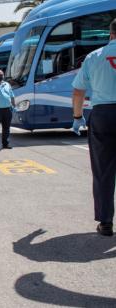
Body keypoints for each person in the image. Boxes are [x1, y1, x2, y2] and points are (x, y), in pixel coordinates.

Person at [72, 19, 116, 237]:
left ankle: (106, 222)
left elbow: (78, 91)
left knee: (103, 170)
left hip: (103, 115)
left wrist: (77, 116)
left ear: (111, 34)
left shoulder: (94, 57)